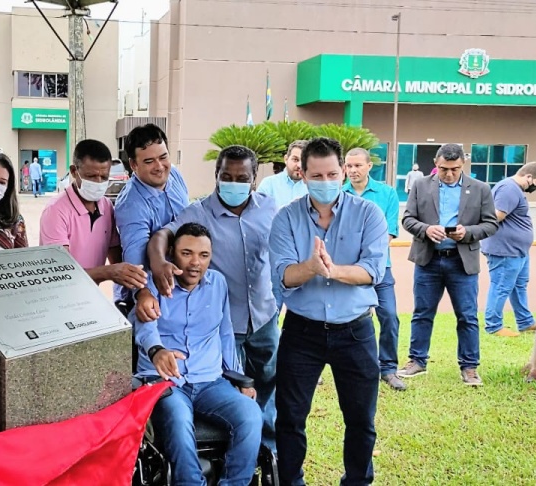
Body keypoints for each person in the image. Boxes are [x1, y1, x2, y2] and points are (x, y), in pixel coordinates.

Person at [141, 145, 280, 452]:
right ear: (216, 176)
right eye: (225, 176)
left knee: (267, 386)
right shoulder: (198, 211)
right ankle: (232, 449)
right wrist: (158, 262)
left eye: (241, 177)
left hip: (265, 316)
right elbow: (163, 235)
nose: (233, 182)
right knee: (234, 389)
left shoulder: (271, 208)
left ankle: (265, 451)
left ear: (254, 178)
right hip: (222, 322)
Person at [269, 137, 388, 486]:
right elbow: (283, 276)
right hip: (301, 332)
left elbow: (372, 272)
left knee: (361, 419)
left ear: (344, 173)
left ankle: (357, 481)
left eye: (332, 174)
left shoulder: (369, 214)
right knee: (290, 417)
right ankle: (291, 481)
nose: (325, 182)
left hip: (355, 331)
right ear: (302, 175)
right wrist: (311, 267)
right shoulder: (286, 218)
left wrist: (332, 270)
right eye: (316, 176)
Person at [134, 223, 261, 486]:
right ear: (171, 253)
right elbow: (144, 326)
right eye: (186, 253)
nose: (195, 263)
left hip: (209, 381)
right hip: (166, 381)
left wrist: (238, 377)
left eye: (203, 255)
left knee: (250, 414)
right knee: (179, 423)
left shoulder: (218, 284)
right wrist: (157, 351)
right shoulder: (154, 283)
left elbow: (225, 333)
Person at [399, 143, 498, 386]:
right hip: (428, 260)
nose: (449, 174)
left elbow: (491, 224)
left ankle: (469, 367)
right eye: (444, 169)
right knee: (422, 313)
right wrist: (425, 229)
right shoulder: (421, 185)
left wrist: (467, 232)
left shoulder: (480, 189)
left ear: (463, 164)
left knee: (467, 316)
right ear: (436, 163)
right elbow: (407, 218)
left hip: (461, 263)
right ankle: (417, 360)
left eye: (454, 169)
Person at [39, 139, 146, 289]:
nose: (98, 182)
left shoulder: (106, 206)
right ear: (74, 171)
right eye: (91, 176)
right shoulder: (55, 211)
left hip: (91, 295)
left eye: (104, 177)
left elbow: (114, 251)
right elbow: (60, 272)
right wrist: (107, 272)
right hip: (60, 297)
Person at [343, 147, 406, 391]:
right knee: (345, 320)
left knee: (389, 315)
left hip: (379, 269)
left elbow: (388, 233)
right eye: (349, 166)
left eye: (358, 165)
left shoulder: (387, 193)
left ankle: (388, 369)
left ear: (370, 166)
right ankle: (349, 367)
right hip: (346, 271)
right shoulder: (339, 193)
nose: (353, 170)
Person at [114, 123, 189, 316]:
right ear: (133, 165)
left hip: (182, 286)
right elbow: (134, 256)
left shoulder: (175, 174)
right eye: (149, 161)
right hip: (152, 293)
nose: (159, 167)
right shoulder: (130, 204)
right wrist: (143, 293)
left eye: (163, 157)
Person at [481, 162, 536, 336]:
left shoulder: (514, 189)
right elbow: (496, 215)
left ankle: (525, 322)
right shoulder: (509, 188)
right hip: (505, 250)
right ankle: (493, 325)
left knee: (519, 286)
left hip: (518, 250)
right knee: (501, 286)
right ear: (529, 177)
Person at [257, 140, 308, 208]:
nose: (299, 165)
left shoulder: (316, 187)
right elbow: (258, 213)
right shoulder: (268, 184)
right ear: (286, 159)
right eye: (295, 159)